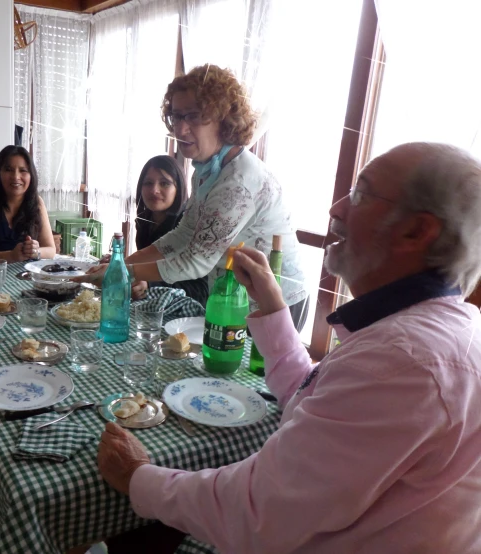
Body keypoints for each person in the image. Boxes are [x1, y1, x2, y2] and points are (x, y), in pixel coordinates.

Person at [98, 143, 481, 553]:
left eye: (361, 195)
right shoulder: (438, 329)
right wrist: (273, 305)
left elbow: (256, 512)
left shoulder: (405, 361)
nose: (335, 209)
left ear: (415, 232)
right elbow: (314, 396)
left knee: (135, 529)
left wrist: (138, 476)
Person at [82, 65, 308, 330]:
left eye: (194, 116)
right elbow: (184, 234)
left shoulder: (238, 181)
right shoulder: (205, 171)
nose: (181, 129)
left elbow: (193, 262)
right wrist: (125, 261)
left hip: (276, 301)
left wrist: (122, 272)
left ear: (225, 119)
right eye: (176, 117)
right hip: (235, 294)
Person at [131, 155, 208, 305]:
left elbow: (202, 290)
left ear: (179, 188)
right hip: (154, 308)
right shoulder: (144, 222)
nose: (154, 190)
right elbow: (150, 267)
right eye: (148, 183)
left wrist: (149, 285)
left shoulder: (187, 227)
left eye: (165, 183)